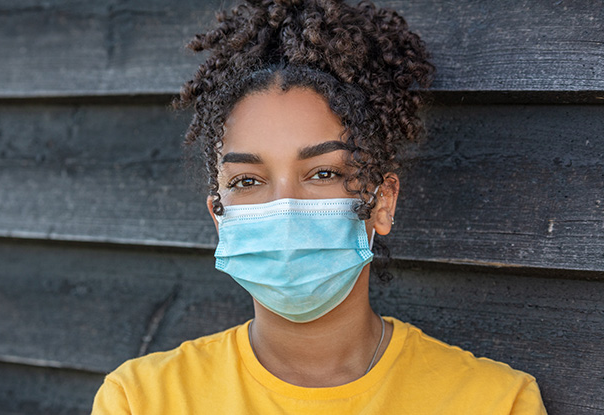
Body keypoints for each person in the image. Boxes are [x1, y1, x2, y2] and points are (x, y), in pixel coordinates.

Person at [92, 0, 547, 413]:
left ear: (382, 201)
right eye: (248, 180)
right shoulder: (141, 400)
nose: (285, 206)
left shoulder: (494, 402)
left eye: (323, 173)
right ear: (219, 217)